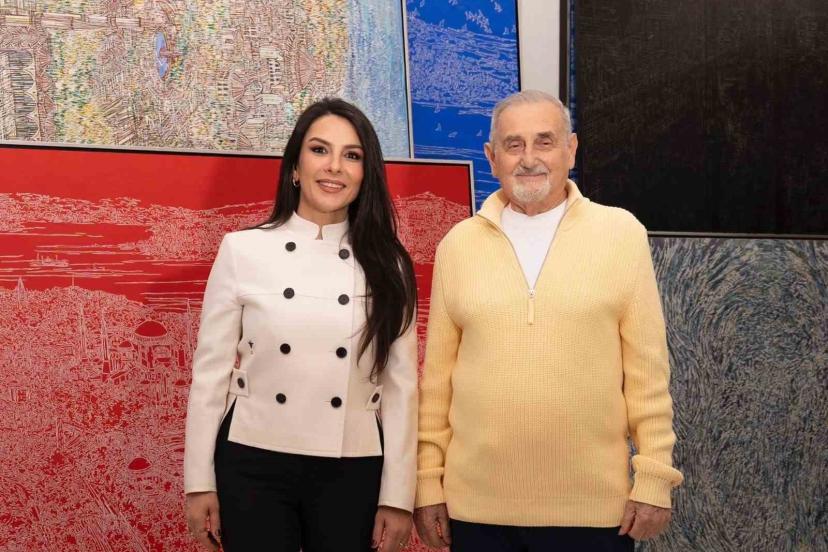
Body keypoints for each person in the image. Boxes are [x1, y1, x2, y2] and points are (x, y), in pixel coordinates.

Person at [413, 90, 684, 551]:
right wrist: (426, 483)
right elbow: (436, 384)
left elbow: (648, 375)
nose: (529, 158)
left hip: (594, 513)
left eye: (545, 141)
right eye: (513, 145)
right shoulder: (458, 246)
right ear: (491, 157)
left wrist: (655, 477)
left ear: (570, 149)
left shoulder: (621, 234)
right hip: (475, 512)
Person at [184, 98, 419, 552]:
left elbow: (401, 388)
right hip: (253, 459)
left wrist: (398, 497)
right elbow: (210, 374)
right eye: (319, 150)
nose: (334, 167)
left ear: (366, 174)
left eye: (352, 155)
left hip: (353, 465)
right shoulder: (242, 250)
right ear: (295, 166)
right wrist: (199, 482)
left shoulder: (390, 265)